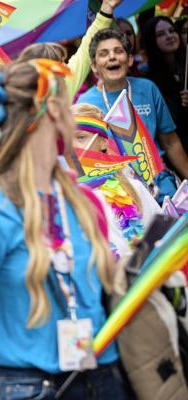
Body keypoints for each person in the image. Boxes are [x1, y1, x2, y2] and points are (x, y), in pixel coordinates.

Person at [0, 59, 130, 399]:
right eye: (65, 103)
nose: (71, 111)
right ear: (48, 113)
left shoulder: (81, 198)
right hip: (32, 388)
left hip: (103, 379)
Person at [77, 28, 188, 202]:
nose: (112, 57)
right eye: (104, 54)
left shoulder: (147, 88)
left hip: (163, 187)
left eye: (118, 51)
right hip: (122, 197)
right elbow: (84, 159)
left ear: (129, 60)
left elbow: (170, 141)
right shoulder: (85, 103)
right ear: (94, 66)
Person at [71, 103, 162, 256]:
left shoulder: (133, 188)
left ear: (103, 142)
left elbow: (160, 239)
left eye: (81, 137)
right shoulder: (63, 196)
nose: (73, 146)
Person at [17, 0, 121, 100]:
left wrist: (106, 10)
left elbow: (86, 49)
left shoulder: (10, 98)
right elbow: (86, 49)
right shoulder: (63, 88)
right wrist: (106, 9)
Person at [142, 16, 188, 156]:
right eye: (161, 34)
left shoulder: (185, 66)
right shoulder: (146, 78)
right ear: (151, 40)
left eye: (172, 31)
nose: (169, 36)